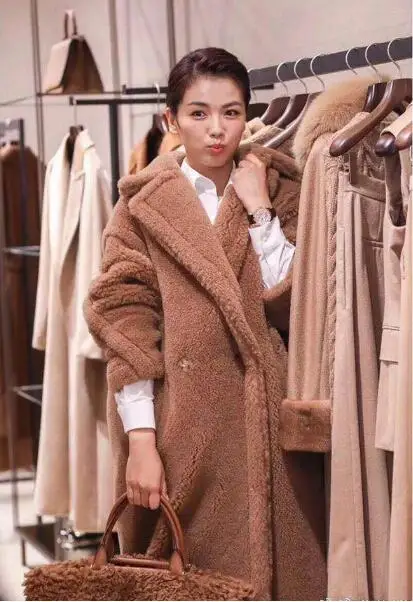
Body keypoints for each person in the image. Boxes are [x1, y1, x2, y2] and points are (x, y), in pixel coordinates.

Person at [85, 47, 326, 600]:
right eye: (198, 113)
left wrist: (260, 210)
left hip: (270, 425)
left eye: (231, 112)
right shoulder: (140, 207)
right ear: (170, 119)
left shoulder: (282, 188)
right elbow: (125, 322)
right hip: (178, 423)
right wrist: (141, 440)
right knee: (184, 577)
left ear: (247, 115)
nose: (217, 129)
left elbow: (298, 303)